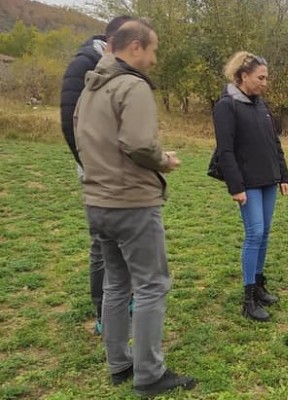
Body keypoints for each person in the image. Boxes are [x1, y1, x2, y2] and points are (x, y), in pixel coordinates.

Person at [74, 19, 196, 396]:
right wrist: (165, 161)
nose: (156, 59)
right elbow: (140, 144)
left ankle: (119, 363)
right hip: (131, 203)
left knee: (116, 284)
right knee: (151, 286)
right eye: (154, 50)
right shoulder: (132, 86)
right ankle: (149, 374)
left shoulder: (91, 88)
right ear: (136, 47)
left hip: (98, 201)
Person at [60, 15, 134, 335]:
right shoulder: (85, 63)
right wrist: (91, 166)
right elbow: (69, 120)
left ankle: (123, 299)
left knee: (126, 237)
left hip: (122, 169)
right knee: (102, 243)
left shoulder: (121, 67)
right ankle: (103, 308)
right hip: (97, 169)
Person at [212, 51, 288, 322]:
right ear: (243, 76)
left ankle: (259, 286)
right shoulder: (226, 106)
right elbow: (225, 151)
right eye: (261, 77)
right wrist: (236, 186)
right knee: (254, 233)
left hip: (268, 179)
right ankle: (247, 300)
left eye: (266, 78)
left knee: (265, 233)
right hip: (247, 183)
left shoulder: (260, 104)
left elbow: (274, 143)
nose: (265, 83)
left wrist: (283, 175)